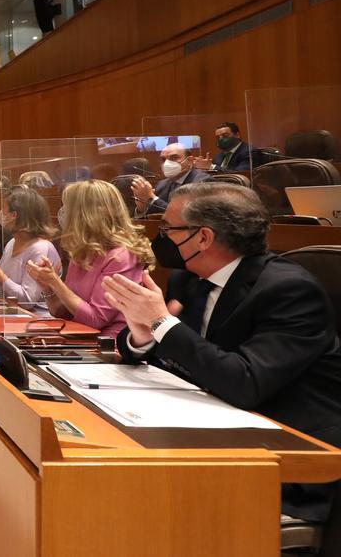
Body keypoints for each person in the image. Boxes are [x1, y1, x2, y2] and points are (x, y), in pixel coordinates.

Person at [104, 183, 341, 522]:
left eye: (169, 228)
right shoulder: (188, 280)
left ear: (203, 238)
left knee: (125, 502)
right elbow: (172, 352)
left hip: (286, 463)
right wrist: (143, 336)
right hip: (207, 434)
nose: (163, 237)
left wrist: (161, 323)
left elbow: (243, 382)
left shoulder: (289, 291)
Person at [24, 180, 153, 339]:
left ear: (87, 214)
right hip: (78, 338)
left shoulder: (121, 257)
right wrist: (47, 286)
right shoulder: (82, 252)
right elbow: (61, 312)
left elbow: (95, 320)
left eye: (68, 207)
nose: (63, 213)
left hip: (110, 348)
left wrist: (56, 282)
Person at [0, 187, 62, 312]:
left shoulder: (40, 248)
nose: (0, 213)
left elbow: (27, 301)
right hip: (9, 313)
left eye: (4, 209)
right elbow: (2, 291)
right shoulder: (12, 243)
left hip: (37, 320)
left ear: (14, 215)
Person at [131, 143, 210, 216]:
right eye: (163, 159)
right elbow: (156, 215)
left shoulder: (203, 183)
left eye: (174, 158)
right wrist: (142, 208)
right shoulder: (162, 184)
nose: (167, 163)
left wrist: (152, 198)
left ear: (190, 161)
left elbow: (188, 216)